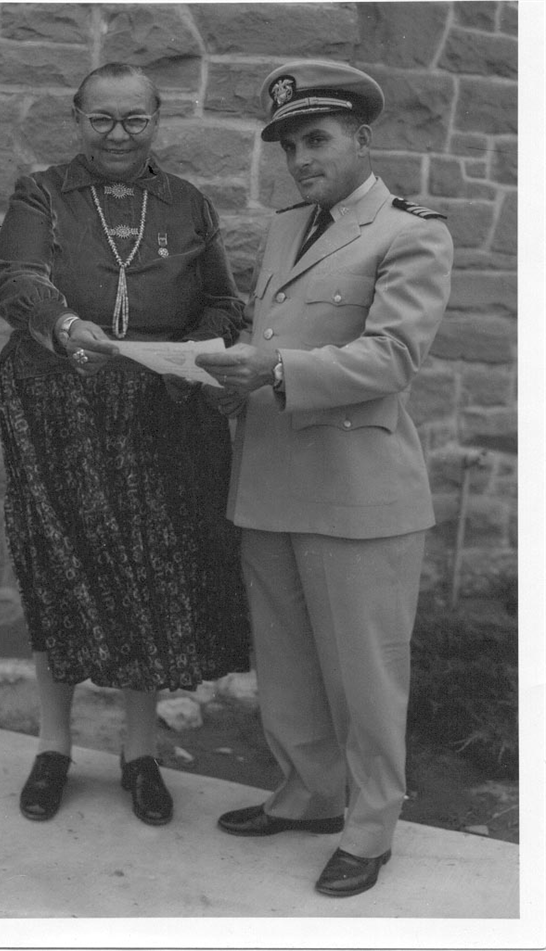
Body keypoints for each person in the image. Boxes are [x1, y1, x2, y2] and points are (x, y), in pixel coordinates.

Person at [196, 60, 453, 896]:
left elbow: (390, 357)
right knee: (289, 662)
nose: (300, 158)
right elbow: (272, 330)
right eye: (288, 145)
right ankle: (307, 792)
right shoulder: (282, 228)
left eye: (316, 139)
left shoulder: (411, 231)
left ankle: (371, 825)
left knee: (364, 674)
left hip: (357, 486)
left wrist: (271, 370)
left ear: (359, 140)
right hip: (270, 476)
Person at [0, 62, 248, 828]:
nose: (117, 135)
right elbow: (16, 279)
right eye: (101, 119)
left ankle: (140, 755)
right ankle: (54, 747)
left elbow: (222, 300)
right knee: (60, 563)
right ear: (76, 119)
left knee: (148, 567)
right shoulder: (41, 192)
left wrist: (194, 350)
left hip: (162, 407)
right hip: (57, 401)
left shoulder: (188, 202)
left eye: (133, 119)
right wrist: (65, 325)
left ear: (156, 120)